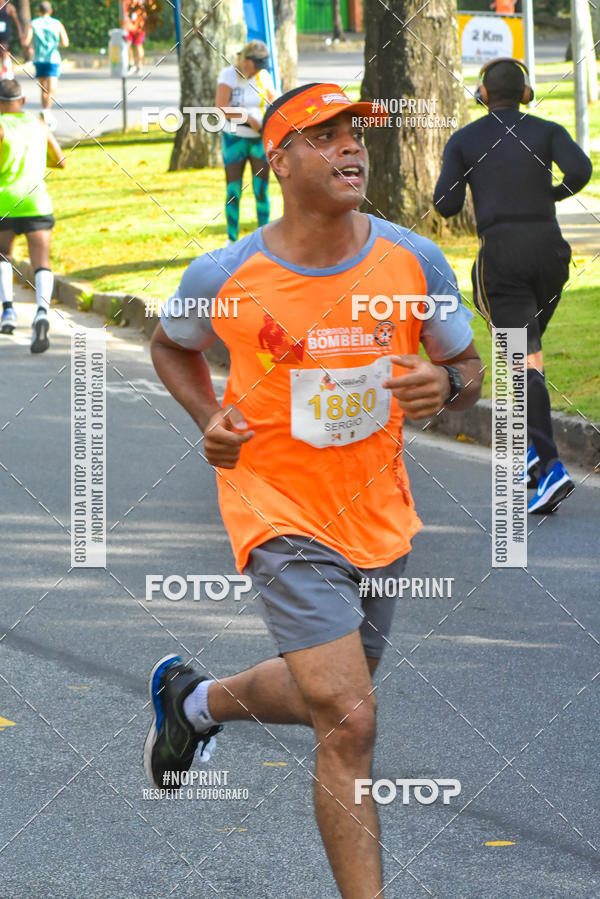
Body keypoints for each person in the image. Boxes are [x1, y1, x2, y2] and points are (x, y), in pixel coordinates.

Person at [145, 82, 483, 897]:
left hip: (377, 511)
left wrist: (447, 381)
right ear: (281, 159)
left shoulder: (413, 260)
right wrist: (209, 416)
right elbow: (170, 345)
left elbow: (468, 367)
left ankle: (194, 704)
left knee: (327, 697)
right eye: (324, 135)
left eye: (355, 133)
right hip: (276, 508)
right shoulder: (227, 271)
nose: (350, 148)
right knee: (351, 718)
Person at [433, 58, 592, 515]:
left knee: (522, 362)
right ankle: (529, 457)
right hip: (551, 254)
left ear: (483, 93)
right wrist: (548, 195)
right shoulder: (547, 129)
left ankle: (550, 467)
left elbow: (445, 205)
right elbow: (580, 170)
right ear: (526, 93)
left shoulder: (464, 140)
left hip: (501, 260)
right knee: (528, 356)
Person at [0, 78, 65, 352]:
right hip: (37, 201)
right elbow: (61, 160)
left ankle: (9, 311)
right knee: (42, 262)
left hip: (5, 202)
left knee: (4, 254)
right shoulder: (38, 123)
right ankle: (41, 313)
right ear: (23, 101)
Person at [215, 39, 277, 244]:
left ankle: (265, 237)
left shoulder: (263, 77)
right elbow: (221, 107)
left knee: (261, 188)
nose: (258, 70)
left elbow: (273, 102)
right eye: (256, 65)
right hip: (235, 139)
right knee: (234, 189)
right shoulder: (229, 75)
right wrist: (247, 118)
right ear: (246, 60)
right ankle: (232, 238)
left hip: (258, 140)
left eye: (261, 66)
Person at [25, 2, 68, 130]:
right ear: (50, 11)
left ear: (38, 11)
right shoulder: (57, 23)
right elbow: (65, 42)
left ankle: (45, 111)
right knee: (52, 89)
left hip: (39, 58)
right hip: (53, 58)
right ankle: (48, 113)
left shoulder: (34, 23)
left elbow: (26, 41)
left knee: (43, 88)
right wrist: (55, 45)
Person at [0, 1, 26, 81]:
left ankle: (6, 70)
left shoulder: (9, 7)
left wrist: (20, 32)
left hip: (5, 34)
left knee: (3, 51)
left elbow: (16, 21)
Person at [123, 0, 146, 75]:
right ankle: (131, 65)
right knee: (127, 45)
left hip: (139, 25)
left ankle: (139, 66)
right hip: (128, 25)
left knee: (138, 45)